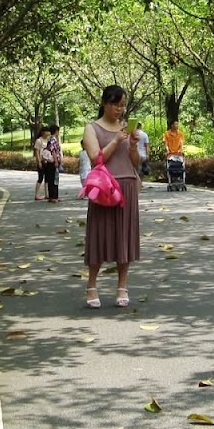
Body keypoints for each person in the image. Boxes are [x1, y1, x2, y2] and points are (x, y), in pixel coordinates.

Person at [81, 85, 142, 308]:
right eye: (116, 104)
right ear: (105, 103)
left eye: (123, 105)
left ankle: (122, 286)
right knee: (99, 235)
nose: (120, 109)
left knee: (124, 237)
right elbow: (96, 158)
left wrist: (132, 146)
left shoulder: (125, 128)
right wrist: (116, 140)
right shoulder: (92, 128)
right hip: (104, 188)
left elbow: (135, 162)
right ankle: (92, 286)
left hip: (127, 186)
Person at [43, 125, 62, 202]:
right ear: (56, 131)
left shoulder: (51, 139)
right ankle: (53, 196)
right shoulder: (53, 140)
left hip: (52, 162)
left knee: (53, 179)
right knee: (53, 179)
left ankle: (53, 196)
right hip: (53, 162)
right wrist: (56, 161)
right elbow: (53, 151)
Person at [33, 126, 49, 201]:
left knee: (47, 178)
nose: (48, 133)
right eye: (46, 131)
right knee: (40, 178)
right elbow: (37, 152)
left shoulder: (48, 140)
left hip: (47, 161)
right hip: (41, 161)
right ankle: (36, 194)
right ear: (42, 132)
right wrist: (39, 162)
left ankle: (46, 194)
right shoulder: (39, 141)